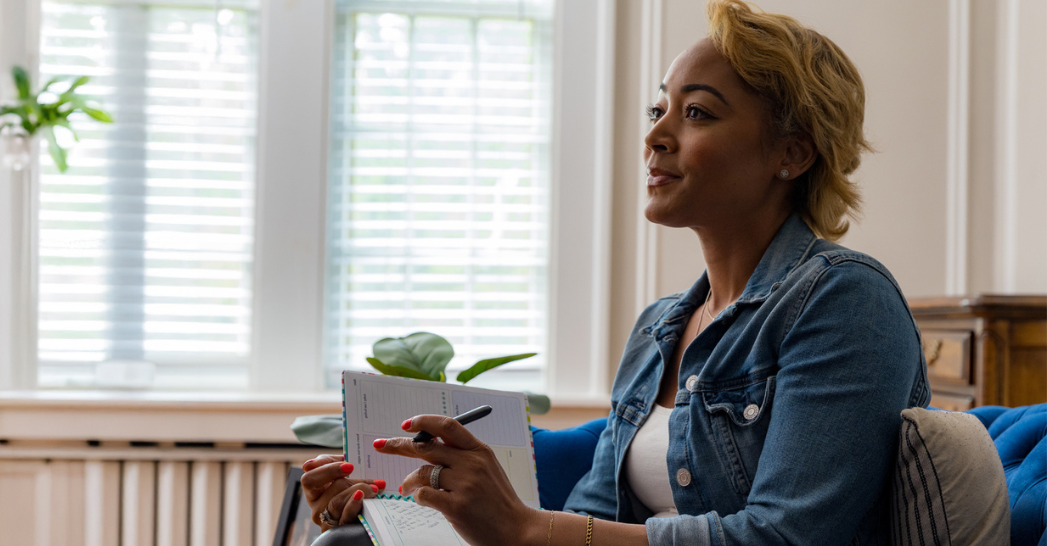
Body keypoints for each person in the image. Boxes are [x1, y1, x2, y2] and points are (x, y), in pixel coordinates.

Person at [302, 0, 930, 544]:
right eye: (659, 109)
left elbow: (785, 537)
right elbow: (589, 518)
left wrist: (522, 526)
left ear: (791, 153)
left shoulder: (845, 300)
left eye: (698, 113)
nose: (656, 134)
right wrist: (409, 510)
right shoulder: (660, 328)